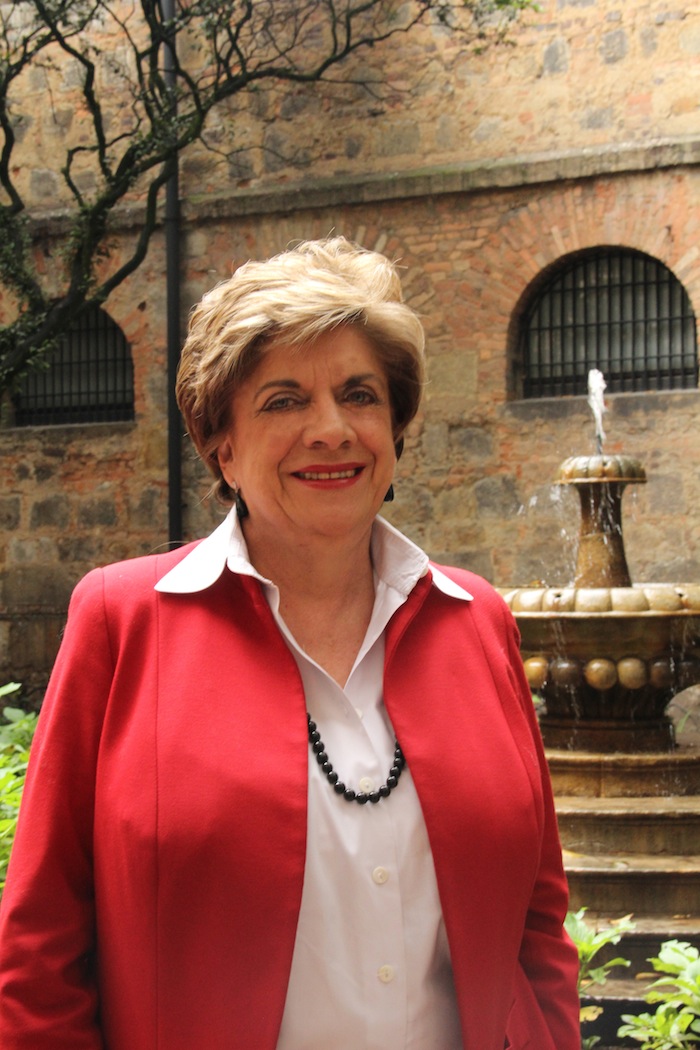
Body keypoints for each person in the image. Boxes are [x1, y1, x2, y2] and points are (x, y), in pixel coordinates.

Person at [0, 237, 580, 1050]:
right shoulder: (121, 621)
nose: (331, 429)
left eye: (359, 395)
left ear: (394, 428)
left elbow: (538, 921)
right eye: (284, 401)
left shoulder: (475, 620)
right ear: (223, 446)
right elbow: (40, 949)